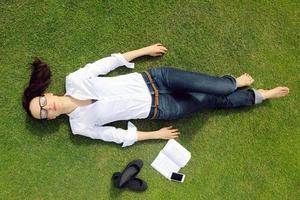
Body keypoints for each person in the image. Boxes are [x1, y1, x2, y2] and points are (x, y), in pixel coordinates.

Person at [22, 44, 289, 147]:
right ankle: (259, 96)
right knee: (212, 101)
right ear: (50, 118)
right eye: (44, 113)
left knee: (220, 88)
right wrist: (155, 135)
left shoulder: (74, 80)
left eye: (42, 102)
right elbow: (117, 136)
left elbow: (107, 63)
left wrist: (143, 51)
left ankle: (231, 82)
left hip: (157, 78)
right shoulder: (79, 127)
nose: (48, 107)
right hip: (164, 108)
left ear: (46, 93)